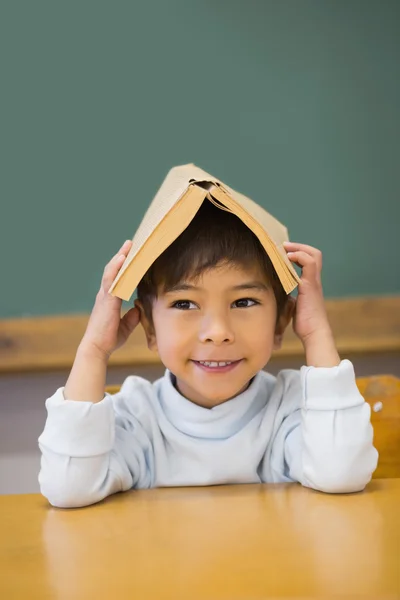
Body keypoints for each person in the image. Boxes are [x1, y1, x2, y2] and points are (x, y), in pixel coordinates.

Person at [38, 201, 378, 508]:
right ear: (150, 329)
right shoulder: (138, 418)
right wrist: (94, 350)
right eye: (184, 303)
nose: (217, 331)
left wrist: (317, 334)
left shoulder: (289, 410)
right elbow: (70, 489)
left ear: (282, 322)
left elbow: (342, 473)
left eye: (243, 302)